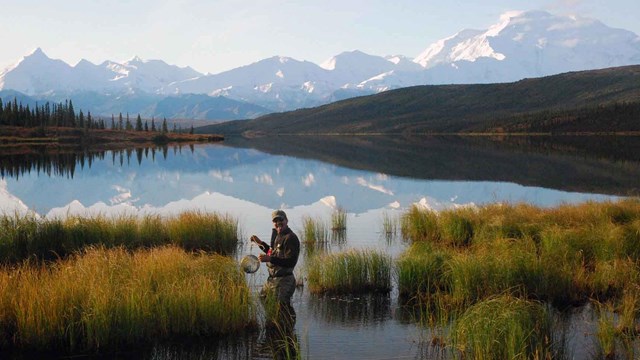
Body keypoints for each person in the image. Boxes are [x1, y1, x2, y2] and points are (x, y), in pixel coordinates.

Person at [250, 209, 300, 329]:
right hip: (272, 280)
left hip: (285, 280)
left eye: (281, 220)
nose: (278, 223)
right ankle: (274, 324)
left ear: (286, 220)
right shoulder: (278, 236)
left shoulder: (290, 238)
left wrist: (270, 259)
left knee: (282, 307)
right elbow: (271, 252)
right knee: (263, 298)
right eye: (275, 221)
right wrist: (259, 242)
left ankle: (287, 332)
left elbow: (291, 262)